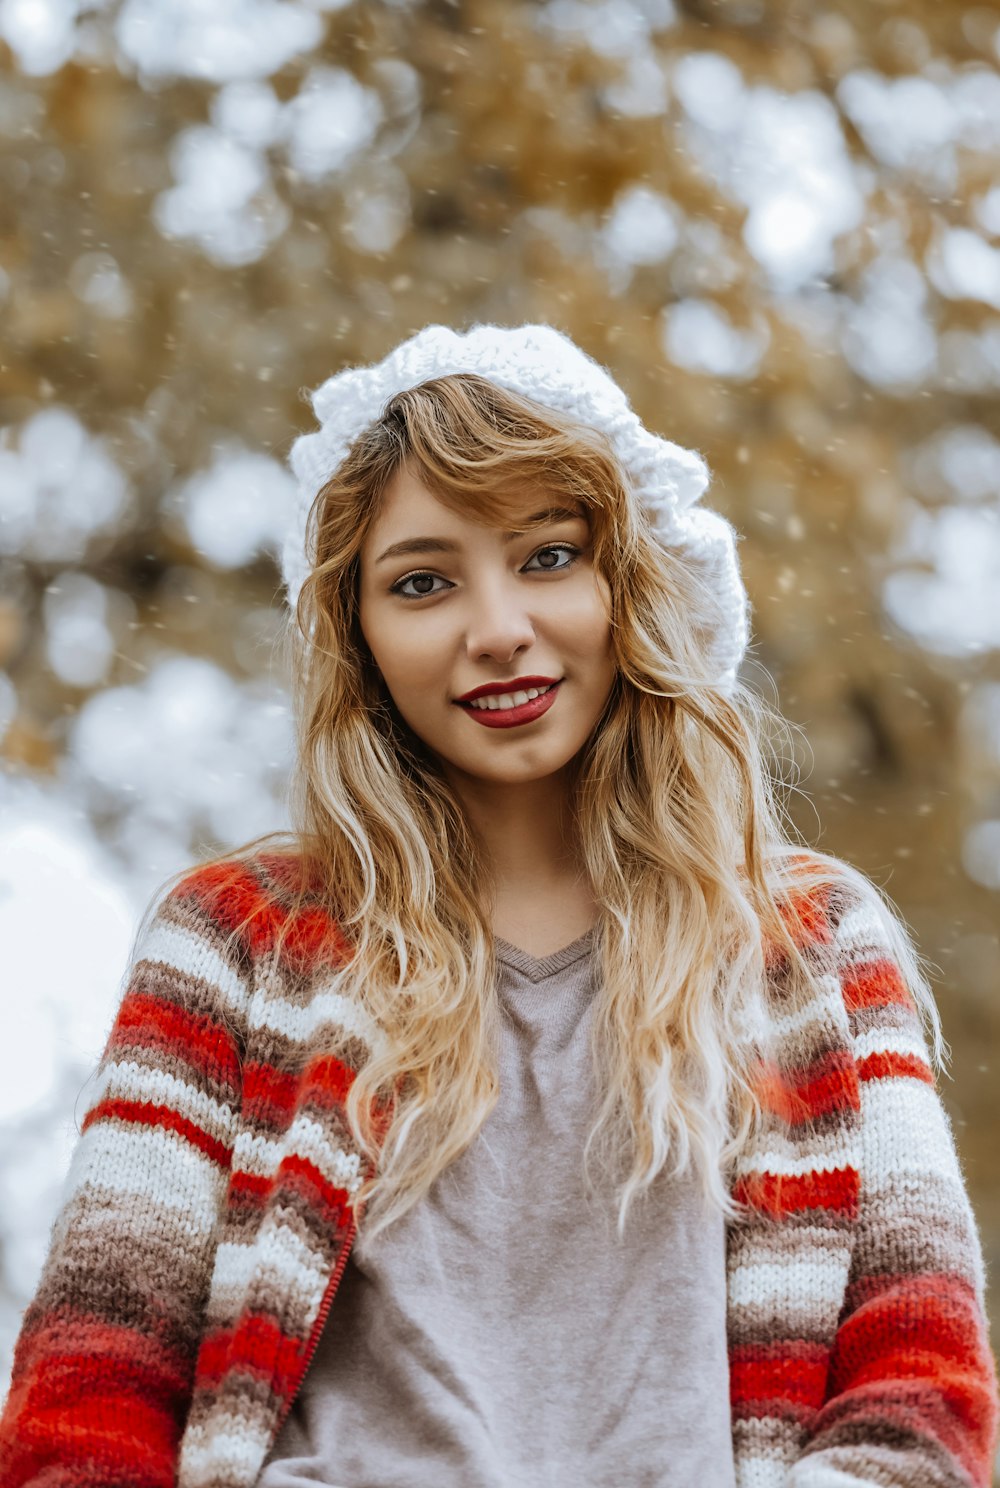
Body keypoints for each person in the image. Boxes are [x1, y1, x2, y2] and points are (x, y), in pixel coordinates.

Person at [0, 322, 997, 1488]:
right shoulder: (236, 941)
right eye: (422, 581)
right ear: (356, 635)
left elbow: (920, 1390)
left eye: (547, 556)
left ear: (629, 580)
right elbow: (93, 1397)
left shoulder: (807, 946)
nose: (497, 630)